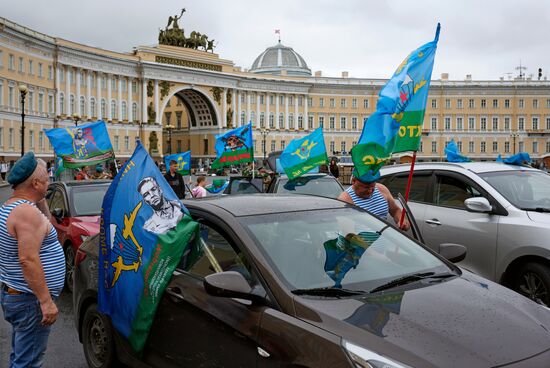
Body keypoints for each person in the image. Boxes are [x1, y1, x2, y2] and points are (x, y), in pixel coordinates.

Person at [0, 152, 65, 367]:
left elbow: (46, 227)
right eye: (46, 180)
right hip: (31, 300)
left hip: (19, 295)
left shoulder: (15, 206)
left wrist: (40, 198)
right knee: (28, 362)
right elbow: (27, 258)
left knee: (21, 356)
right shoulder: (26, 213)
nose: (49, 183)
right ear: (36, 183)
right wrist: (46, 301)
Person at [338, 169, 410, 231]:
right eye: (366, 187)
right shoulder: (345, 200)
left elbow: (395, 211)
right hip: (360, 246)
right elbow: (349, 234)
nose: (370, 191)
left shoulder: (381, 189)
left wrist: (401, 220)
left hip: (383, 244)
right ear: (354, 181)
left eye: (372, 186)